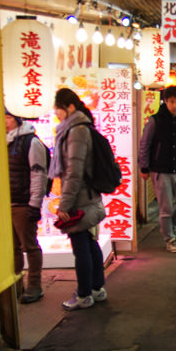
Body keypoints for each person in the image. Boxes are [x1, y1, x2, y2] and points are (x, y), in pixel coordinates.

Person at [50, 88, 107, 311]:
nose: (56, 113)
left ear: (69, 107)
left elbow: (74, 171)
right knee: (89, 243)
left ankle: (84, 294)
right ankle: (96, 288)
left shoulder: (76, 131)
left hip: (80, 198)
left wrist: (64, 204)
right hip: (86, 194)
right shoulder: (79, 128)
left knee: (80, 245)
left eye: (58, 108)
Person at [139, 85, 176, 252]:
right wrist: (144, 167)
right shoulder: (155, 120)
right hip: (160, 171)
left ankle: (171, 226)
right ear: (165, 101)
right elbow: (145, 144)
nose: (175, 105)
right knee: (166, 209)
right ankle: (170, 239)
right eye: (171, 101)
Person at [5, 109, 49, 304]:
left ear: (17, 118)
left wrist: (34, 204)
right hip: (5, 204)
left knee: (29, 246)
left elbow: (38, 174)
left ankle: (34, 285)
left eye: (8, 117)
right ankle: (15, 283)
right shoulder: (2, 141)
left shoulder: (31, 142)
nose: (5, 122)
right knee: (11, 247)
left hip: (23, 202)